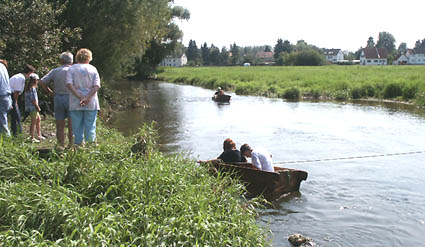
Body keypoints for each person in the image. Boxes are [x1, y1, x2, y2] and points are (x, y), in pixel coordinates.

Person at [66, 48, 100, 146]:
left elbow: (69, 84)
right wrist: (87, 98)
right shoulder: (93, 69)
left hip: (75, 102)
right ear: (89, 58)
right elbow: (96, 86)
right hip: (91, 102)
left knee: (76, 126)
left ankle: (78, 146)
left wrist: (80, 97)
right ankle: (91, 146)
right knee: (90, 126)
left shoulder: (71, 69)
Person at [40, 52, 74, 148]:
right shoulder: (74, 71)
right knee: (72, 124)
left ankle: (60, 145)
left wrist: (50, 92)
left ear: (61, 60)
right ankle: (71, 145)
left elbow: (42, 82)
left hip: (58, 97)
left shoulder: (55, 71)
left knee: (60, 124)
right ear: (71, 61)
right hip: (72, 98)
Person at [9, 64, 36, 136]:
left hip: (11, 96)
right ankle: (17, 135)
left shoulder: (18, 76)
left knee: (15, 116)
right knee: (16, 116)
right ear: (29, 72)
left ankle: (14, 133)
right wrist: (15, 102)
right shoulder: (21, 78)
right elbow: (16, 92)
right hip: (11, 96)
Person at [24, 74, 43, 142]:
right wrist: (37, 107)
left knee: (38, 120)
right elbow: (33, 100)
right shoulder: (32, 89)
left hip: (31, 107)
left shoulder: (28, 88)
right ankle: (32, 137)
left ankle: (39, 135)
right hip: (33, 108)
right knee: (33, 122)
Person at [0, 59, 12, 136]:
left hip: (1, 95)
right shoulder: (3, 67)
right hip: (7, 96)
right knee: (3, 119)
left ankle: (6, 140)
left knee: (2, 121)